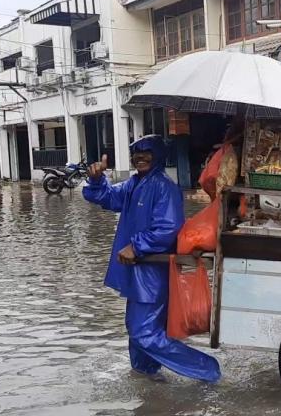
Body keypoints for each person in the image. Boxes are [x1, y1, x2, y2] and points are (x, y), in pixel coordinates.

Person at [84, 134, 221, 382]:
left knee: (143, 333)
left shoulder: (163, 186)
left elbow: (167, 228)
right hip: (137, 273)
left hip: (152, 273)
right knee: (137, 332)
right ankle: (146, 379)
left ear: (158, 156)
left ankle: (207, 370)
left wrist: (135, 247)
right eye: (136, 152)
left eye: (146, 152)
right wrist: (96, 180)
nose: (140, 157)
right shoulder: (134, 183)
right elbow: (107, 198)